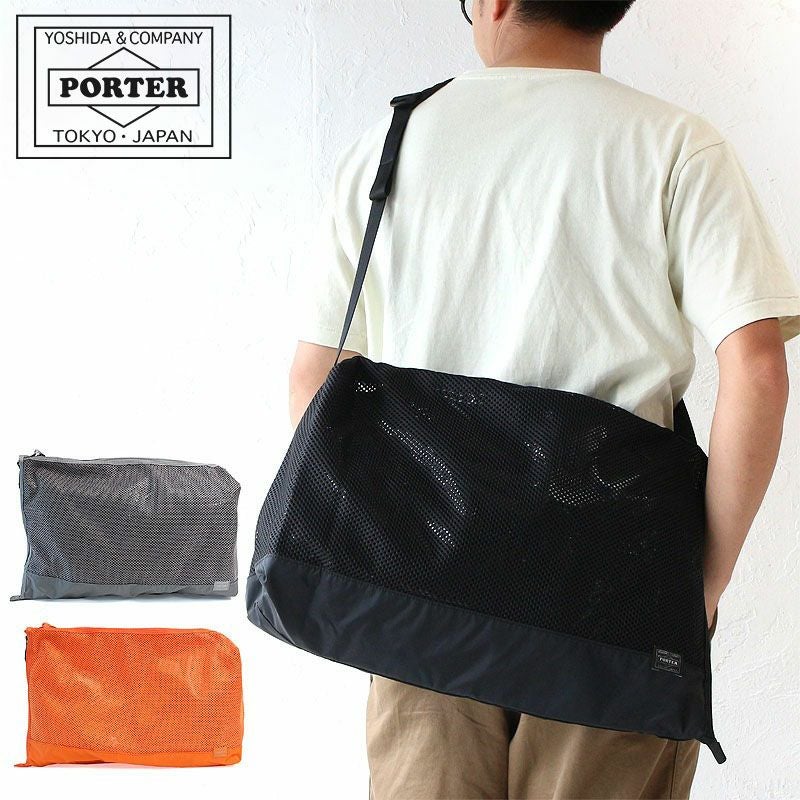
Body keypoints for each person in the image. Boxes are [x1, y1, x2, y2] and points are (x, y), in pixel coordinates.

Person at [287, 1, 800, 797]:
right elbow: (757, 372)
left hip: (427, 578)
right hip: (617, 595)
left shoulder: (390, 145)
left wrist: (375, 546)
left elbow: (317, 375)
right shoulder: (677, 146)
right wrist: (701, 584)